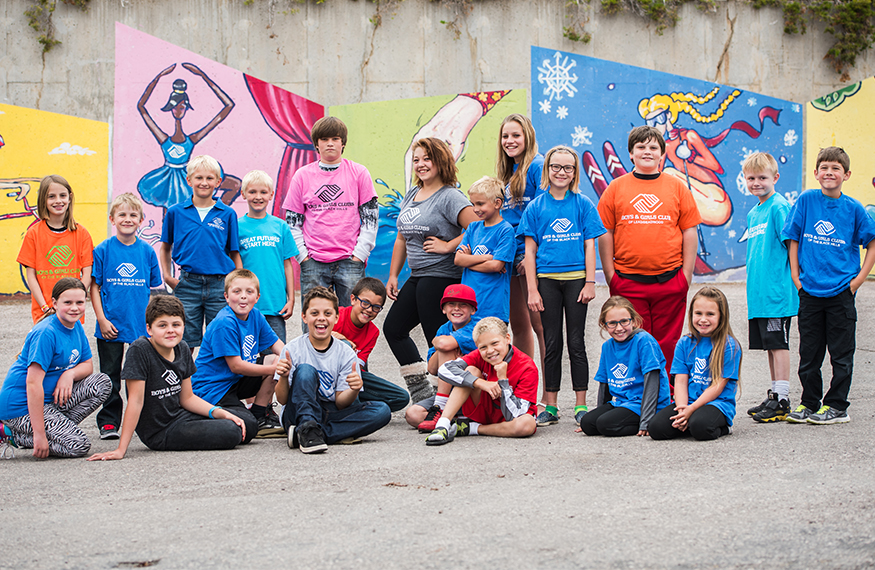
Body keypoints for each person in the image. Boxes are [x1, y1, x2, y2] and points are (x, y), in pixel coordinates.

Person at [87, 296, 249, 460]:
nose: (170, 330)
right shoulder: (140, 350)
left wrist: (220, 413)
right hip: (160, 430)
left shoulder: (182, 347)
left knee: (245, 424)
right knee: (231, 432)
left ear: (183, 327)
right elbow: (135, 402)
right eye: (162, 325)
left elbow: (187, 398)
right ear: (149, 329)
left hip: (181, 416)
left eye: (176, 325)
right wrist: (121, 450)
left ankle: (228, 417)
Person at [781, 146, 875, 425]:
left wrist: (857, 282)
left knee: (841, 354)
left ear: (846, 174)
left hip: (841, 293)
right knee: (809, 353)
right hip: (809, 291)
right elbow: (793, 238)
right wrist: (797, 278)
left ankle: (836, 406)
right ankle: (809, 403)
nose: (829, 172)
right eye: (824, 167)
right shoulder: (807, 201)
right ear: (816, 173)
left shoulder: (854, 208)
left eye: (835, 168)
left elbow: (871, 244)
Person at [597, 126, 702, 374]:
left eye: (653, 147)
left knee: (668, 343)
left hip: (670, 280)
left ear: (662, 155)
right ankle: (636, 394)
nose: (647, 151)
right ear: (630, 154)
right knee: (632, 341)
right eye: (641, 147)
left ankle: (667, 396)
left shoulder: (677, 187)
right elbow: (606, 232)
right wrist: (611, 275)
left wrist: (686, 275)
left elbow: (689, 231)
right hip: (627, 282)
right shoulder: (616, 188)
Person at [384, 137, 478, 403]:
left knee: (437, 339)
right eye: (416, 160)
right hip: (417, 276)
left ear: (440, 161)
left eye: (427, 158)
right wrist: (393, 274)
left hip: (441, 277)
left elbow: (476, 227)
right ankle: (422, 390)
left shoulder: (450, 196)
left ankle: (445, 396)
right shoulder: (413, 195)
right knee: (394, 329)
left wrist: (449, 246)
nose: (421, 164)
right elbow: (401, 237)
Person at [518, 145, 606, 427]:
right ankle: (551, 405)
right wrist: (532, 289)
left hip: (577, 282)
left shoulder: (583, 204)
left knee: (576, 343)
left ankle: (581, 404)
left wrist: (590, 282)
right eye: (556, 166)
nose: (561, 172)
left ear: (574, 172)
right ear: (547, 170)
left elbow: (590, 246)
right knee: (552, 342)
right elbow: (529, 253)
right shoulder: (535, 207)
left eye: (568, 168)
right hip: (547, 283)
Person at [0, 278, 110, 458]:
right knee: (78, 446)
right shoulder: (46, 333)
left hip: (49, 403)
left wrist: (70, 373)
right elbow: (33, 384)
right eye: (68, 302)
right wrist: (40, 434)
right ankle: (11, 434)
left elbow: (88, 366)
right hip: (21, 408)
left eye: (79, 302)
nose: (74, 308)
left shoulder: (75, 326)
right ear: (54, 303)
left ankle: (57, 429)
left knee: (102, 383)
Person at [275, 286, 392, 454]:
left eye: (327, 314)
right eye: (314, 313)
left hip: (329, 411)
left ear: (336, 318)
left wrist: (354, 389)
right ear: (304, 317)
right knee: (306, 370)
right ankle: (307, 426)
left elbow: (340, 402)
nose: (321, 318)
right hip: (297, 412)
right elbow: (282, 400)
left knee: (382, 411)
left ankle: (311, 433)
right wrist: (284, 377)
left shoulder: (345, 353)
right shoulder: (291, 349)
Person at [283, 116, 378, 314]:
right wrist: (303, 257)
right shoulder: (302, 176)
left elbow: (370, 219)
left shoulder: (359, 173)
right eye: (324, 139)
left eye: (335, 138)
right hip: (314, 262)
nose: (330, 143)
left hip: (350, 262)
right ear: (316, 144)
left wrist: (359, 255)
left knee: (352, 321)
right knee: (314, 321)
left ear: (343, 143)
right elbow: (292, 222)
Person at [90, 193, 163, 440]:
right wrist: (101, 318)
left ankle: (140, 418)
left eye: (133, 215)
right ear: (112, 219)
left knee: (138, 375)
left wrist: (151, 324)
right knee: (110, 376)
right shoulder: (102, 250)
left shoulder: (147, 252)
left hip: (139, 327)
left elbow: (153, 291)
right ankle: (109, 422)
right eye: (122, 214)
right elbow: (94, 287)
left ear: (141, 219)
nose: (127, 219)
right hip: (110, 325)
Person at [189, 269, 285, 439]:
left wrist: (295, 362)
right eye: (237, 291)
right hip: (213, 388)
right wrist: (275, 370)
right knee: (246, 426)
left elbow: (281, 349)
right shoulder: (224, 322)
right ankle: (205, 412)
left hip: (234, 382)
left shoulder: (256, 316)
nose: (243, 296)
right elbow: (236, 366)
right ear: (226, 296)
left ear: (257, 297)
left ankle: (259, 414)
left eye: (249, 292)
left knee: (277, 359)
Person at [159, 155, 242, 349]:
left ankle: (215, 380)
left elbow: (234, 252)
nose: (204, 183)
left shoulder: (227, 214)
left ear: (218, 182)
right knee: (184, 342)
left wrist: (237, 282)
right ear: (189, 180)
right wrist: (167, 276)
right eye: (199, 178)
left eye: (209, 178)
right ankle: (184, 380)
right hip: (187, 284)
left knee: (220, 339)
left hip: (220, 285)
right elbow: (165, 247)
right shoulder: (175, 212)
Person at [741, 153, 798, 423]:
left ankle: (784, 398)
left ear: (775, 178)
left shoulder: (779, 207)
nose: (756, 183)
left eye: (762, 177)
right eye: (751, 178)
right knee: (768, 346)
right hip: (759, 295)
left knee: (779, 344)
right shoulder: (754, 212)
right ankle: (775, 394)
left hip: (777, 293)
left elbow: (792, 247)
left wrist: (797, 282)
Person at [136, 63, 236, 212]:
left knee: (235, 185)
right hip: (168, 179)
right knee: (170, 217)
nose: (178, 110)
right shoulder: (164, 140)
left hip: (188, 176)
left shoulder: (191, 139)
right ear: (170, 108)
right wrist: (159, 77)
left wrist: (203, 76)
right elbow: (141, 107)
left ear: (186, 108)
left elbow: (228, 106)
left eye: (182, 107)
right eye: (175, 107)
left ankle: (213, 216)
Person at [425, 317, 538, 445]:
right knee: (471, 371)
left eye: (495, 343)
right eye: (483, 347)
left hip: (509, 417)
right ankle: (442, 425)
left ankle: (471, 428)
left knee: (527, 425)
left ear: (507, 338)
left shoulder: (527, 366)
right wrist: (480, 383)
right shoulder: (479, 355)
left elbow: (514, 415)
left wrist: (503, 380)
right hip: (483, 408)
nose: (490, 351)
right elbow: (444, 369)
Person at [649, 287, 740, 441]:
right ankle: (688, 423)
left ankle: (724, 428)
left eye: (710, 314)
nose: (703, 319)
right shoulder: (684, 342)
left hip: (716, 403)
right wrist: (682, 410)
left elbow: (718, 385)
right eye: (698, 313)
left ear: (721, 317)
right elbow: (681, 380)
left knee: (701, 428)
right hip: (688, 402)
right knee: (656, 429)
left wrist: (692, 409)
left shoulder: (729, 346)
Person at [495, 114, 547, 369]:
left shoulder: (538, 166)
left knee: (541, 326)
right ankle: (524, 387)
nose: (510, 141)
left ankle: (550, 396)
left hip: (527, 254)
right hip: (509, 253)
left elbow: (543, 215)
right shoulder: (506, 172)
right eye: (505, 136)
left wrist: (531, 257)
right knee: (518, 325)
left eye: (516, 135)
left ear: (528, 136)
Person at [579, 296, 671, 437]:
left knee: (605, 424)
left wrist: (646, 421)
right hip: (623, 403)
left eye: (624, 321)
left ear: (633, 321)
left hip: (644, 404)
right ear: (604, 325)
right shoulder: (607, 347)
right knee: (587, 423)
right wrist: (599, 414)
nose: (619, 328)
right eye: (612, 323)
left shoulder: (644, 341)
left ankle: (646, 423)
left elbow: (652, 381)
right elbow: (604, 384)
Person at [17, 175, 93, 324]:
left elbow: (87, 273)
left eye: (62, 195)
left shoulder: (82, 233)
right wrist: (45, 307)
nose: (58, 200)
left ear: (70, 198)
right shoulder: (33, 234)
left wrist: (74, 303)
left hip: (72, 314)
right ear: (43, 201)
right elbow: (31, 276)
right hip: (44, 312)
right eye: (51, 196)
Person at [404, 284, 479, 432]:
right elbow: (432, 369)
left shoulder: (477, 327)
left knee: (446, 346)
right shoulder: (444, 329)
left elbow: (444, 344)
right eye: (451, 304)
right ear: (444, 309)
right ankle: (455, 419)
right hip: (451, 391)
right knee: (413, 415)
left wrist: (441, 344)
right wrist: (442, 346)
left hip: (474, 390)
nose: (456, 308)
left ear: (473, 310)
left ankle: (441, 408)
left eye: (463, 305)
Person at [237, 170, 298, 344]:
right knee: (248, 355)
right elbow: (235, 266)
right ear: (243, 194)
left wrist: (291, 299)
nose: (258, 197)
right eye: (252, 192)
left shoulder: (280, 226)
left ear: (271, 194)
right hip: (246, 305)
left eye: (263, 192)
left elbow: (288, 265)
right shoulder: (237, 226)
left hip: (274, 306)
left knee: (277, 358)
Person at [332, 277, 410, 412]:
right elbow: (314, 336)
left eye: (376, 307)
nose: (369, 310)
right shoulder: (336, 315)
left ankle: (353, 404)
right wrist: (340, 339)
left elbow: (358, 366)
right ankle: (351, 408)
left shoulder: (373, 332)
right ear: (353, 299)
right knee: (344, 345)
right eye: (365, 303)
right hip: (327, 374)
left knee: (401, 397)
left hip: (353, 376)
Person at [454, 176, 515, 323]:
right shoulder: (473, 227)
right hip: (468, 305)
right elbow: (458, 259)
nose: (475, 209)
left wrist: (469, 260)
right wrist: (486, 258)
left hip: (493, 308)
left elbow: (496, 266)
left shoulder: (505, 231)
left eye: (480, 204)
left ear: (497, 203)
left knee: (491, 345)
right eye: (473, 204)